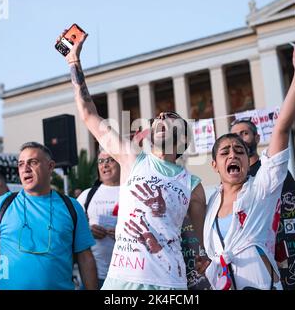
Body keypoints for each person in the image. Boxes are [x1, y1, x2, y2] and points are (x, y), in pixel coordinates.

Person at [60, 30, 207, 290]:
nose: (160, 118)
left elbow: (200, 240)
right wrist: (74, 62)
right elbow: (88, 114)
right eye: (157, 118)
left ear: (183, 138)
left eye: (169, 116)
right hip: (121, 282)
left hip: (169, 283)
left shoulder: (192, 184)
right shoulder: (131, 158)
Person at [203, 41, 295, 290]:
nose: (233, 154)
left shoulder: (262, 187)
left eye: (239, 151)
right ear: (215, 165)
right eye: (225, 152)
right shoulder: (211, 203)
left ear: (247, 158)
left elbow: (281, 129)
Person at [0, 142, 98, 290]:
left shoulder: (72, 207)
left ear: (50, 166)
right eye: (21, 164)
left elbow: (85, 258)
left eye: (33, 162)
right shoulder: (2, 205)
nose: (25, 168)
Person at [77, 148, 120, 288]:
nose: (104, 165)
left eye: (110, 160)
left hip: (126, 277)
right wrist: (87, 232)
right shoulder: (86, 195)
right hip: (94, 277)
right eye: (101, 161)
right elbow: (73, 229)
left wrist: (126, 234)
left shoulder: (133, 192)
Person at [230, 118, 295, 193]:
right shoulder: (231, 175)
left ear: (257, 138)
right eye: (235, 136)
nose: (240, 139)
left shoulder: (272, 167)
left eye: (244, 133)